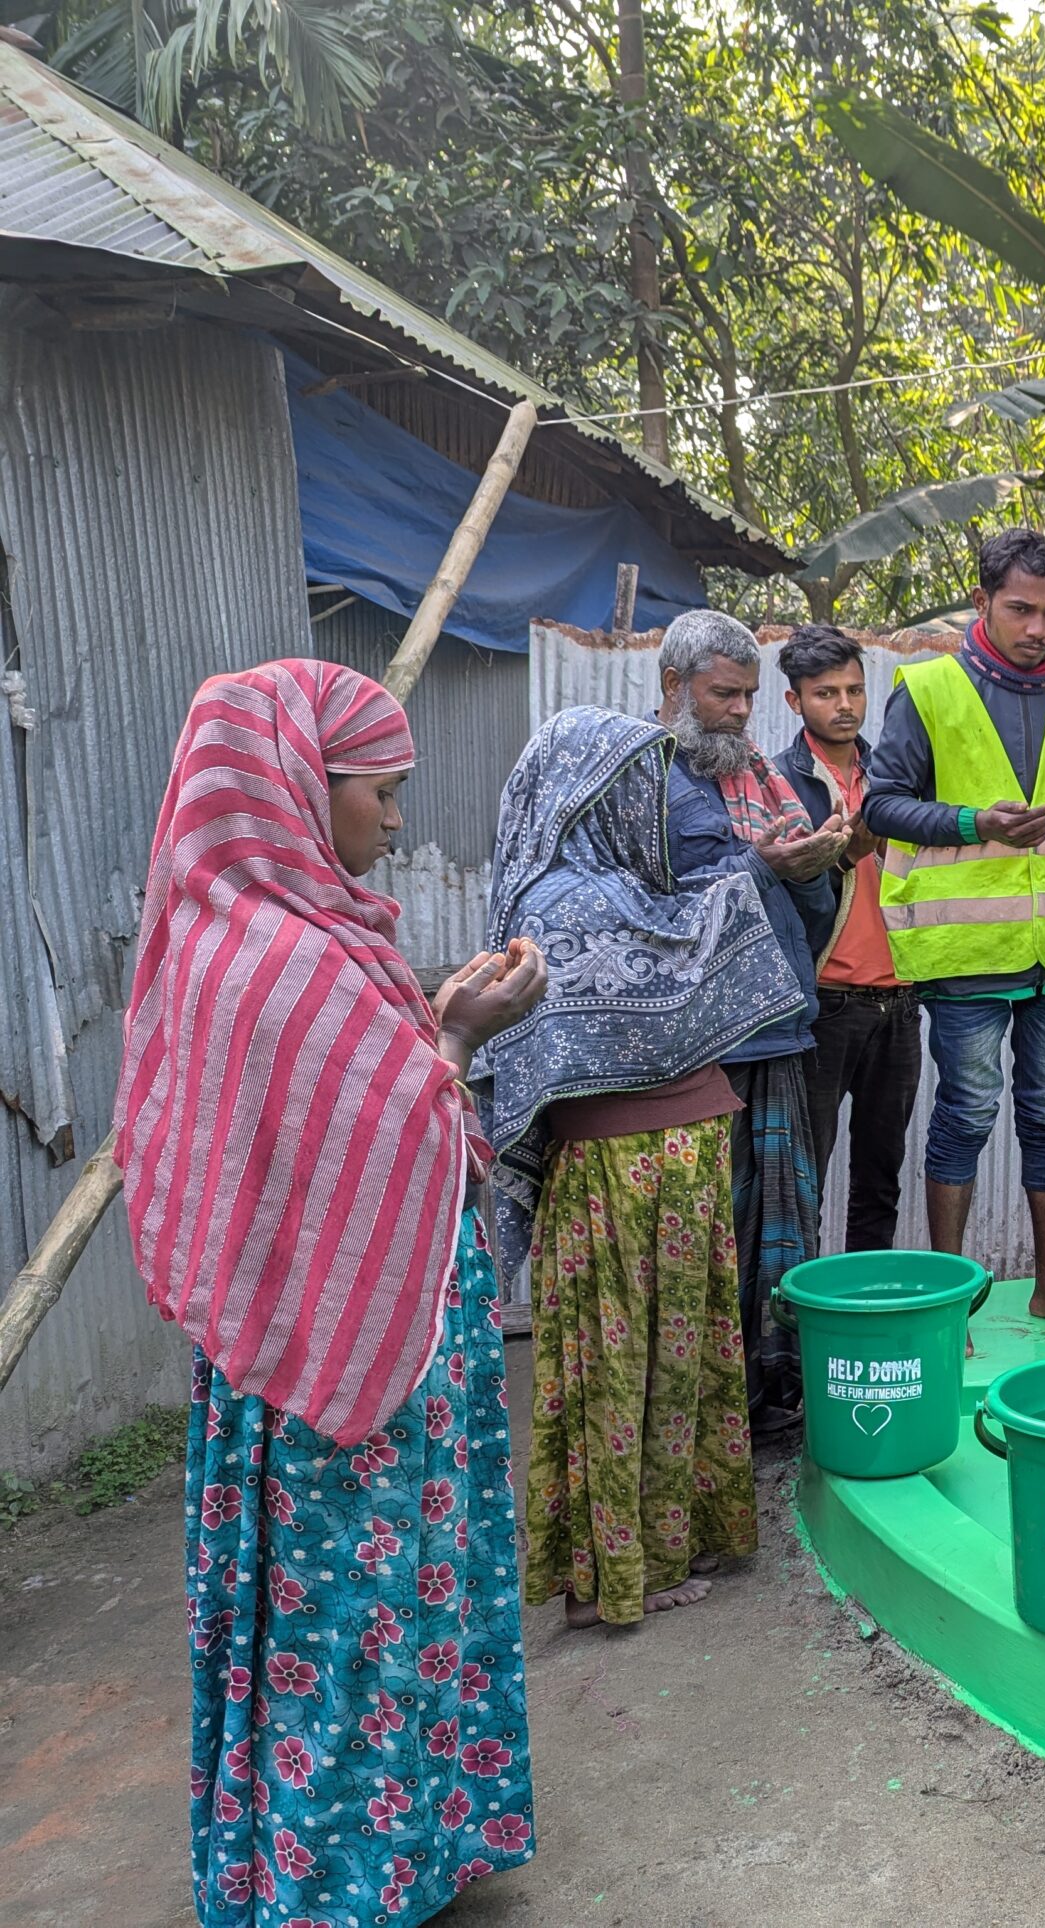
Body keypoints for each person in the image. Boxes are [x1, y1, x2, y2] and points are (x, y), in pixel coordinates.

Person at [116, 661, 546, 1926]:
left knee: (386, 1605)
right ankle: (337, 1880)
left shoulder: (255, 933)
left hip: (329, 1352)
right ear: (300, 786)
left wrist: (433, 1018)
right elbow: (394, 1132)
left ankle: (393, 1851)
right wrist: (457, 1038)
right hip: (335, 1388)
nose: (397, 821)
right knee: (352, 1616)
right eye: (382, 790)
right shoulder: (280, 957)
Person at [483, 707, 811, 1627]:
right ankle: (619, 1573)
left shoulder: (616, 890)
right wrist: (766, 870)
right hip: (624, 1174)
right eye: (640, 787)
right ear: (591, 797)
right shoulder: (567, 902)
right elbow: (681, 961)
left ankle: (656, 1546)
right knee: (629, 1370)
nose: (657, 808)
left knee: (673, 1362)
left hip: (662, 1167)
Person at [865, 528, 1045, 1336]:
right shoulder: (928, 688)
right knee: (968, 1112)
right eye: (1020, 609)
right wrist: (978, 822)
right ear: (981, 602)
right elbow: (880, 805)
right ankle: (952, 1300)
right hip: (966, 951)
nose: (1039, 628)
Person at [658, 608, 850, 1432]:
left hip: (779, 1031)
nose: (740, 711)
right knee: (710, 1230)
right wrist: (761, 866)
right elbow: (657, 911)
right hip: (701, 1046)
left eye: (747, 696)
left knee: (780, 1223)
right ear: (675, 686)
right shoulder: (644, 780)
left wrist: (809, 869)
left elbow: (810, 916)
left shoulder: (767, 780)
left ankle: (770, 1395)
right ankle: (712, 1414)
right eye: (722, 695)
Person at [777, 625, 923, 1253]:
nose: (845, 705)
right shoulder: (780, 781)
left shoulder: (895, 773)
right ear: (795, 701)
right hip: (825, 1004)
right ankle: (800, 1306)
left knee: (880, 1178)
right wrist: (843, 853)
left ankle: (869, 1294)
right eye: (825, 693)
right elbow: (777, 893)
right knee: (803, 1179)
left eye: (855, 691)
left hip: (901, 1000)